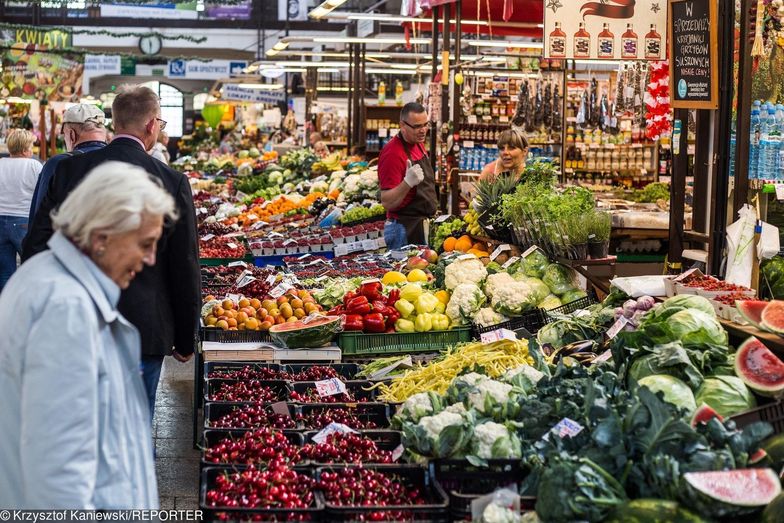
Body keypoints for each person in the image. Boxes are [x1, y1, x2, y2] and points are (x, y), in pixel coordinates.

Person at [0, 162, 174, 508]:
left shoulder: (45, 274)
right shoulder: (66, 311)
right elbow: (60, 475)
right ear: (101, 238)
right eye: (145, 243)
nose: (151, 259)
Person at [23, 85, 201, 422]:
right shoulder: (171, 181)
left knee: (79, 423)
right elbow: (184, 265)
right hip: (144, 329)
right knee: (134, 427)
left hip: (78, 323)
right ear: (151, 125)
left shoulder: (67, 170)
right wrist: (184, 336)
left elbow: (36, 246)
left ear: (115, 122)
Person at [29, 103, 108, 221]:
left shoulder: (58, 163)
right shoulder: (122, 159)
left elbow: (40, 216)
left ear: (71, 135)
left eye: (64, 134)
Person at [378, 102, 437, 249]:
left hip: (419, 225)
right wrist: (407, 182)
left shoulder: (418, 142)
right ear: (402, 126)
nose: (423, 130)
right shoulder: (392, 153)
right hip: (403, 230)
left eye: (426, 124)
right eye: (417, 126)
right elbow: (386, 201)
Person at [0, 129, 41, 291]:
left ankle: (5, 308)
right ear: (25, 149)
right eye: (31, 146)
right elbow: (42, 193)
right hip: (23, 221)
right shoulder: (34, 166)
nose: (32, 150)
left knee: (4, 272)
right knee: (31, 267)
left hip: (0, 220)